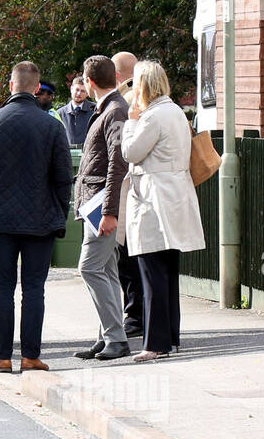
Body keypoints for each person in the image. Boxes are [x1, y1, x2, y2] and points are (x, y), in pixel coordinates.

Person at [0, 62, 72, 373]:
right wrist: (58, 214)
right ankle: (31, 356)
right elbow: (64, 177)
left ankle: (2, 357)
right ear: (37, 89)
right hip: (41, 219)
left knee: (2, 287)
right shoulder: (53, 126)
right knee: (34, 288)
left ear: (11, 86)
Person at [121, 61, 206, 362]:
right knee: (168, 270)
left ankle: (155, 343)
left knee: (151, 271)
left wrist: (131, 121)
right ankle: (170, 336)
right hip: (175, 196)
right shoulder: (176, 113)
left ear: (144, 85)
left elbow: (130, 152)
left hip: (153, 200)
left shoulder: (152, 117)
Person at [73, 55, 132, 361]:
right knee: (106, 268)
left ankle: (115, 338)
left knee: (90, 267)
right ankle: (106, 337)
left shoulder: (115, 110)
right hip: (95, 203)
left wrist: (109, 212)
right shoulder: (111, 108)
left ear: (89, 82)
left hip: (101, 204)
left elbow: (117, 164)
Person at [112, 50, 145, 338]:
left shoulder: (126, 101)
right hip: (145, 190)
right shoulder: (147, 97)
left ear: (118, 75)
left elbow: (123, 150)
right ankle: (140, 314)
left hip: (130, 190)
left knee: (127, 256)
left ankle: (134, 316)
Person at [57, 75, 95, 146]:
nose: (78, 93)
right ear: (71, 89)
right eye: (77, 90)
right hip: (67, 155)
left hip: (89, 155)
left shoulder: (95, 110)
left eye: (83, 91)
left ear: (87, 93)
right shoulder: (60, 114)